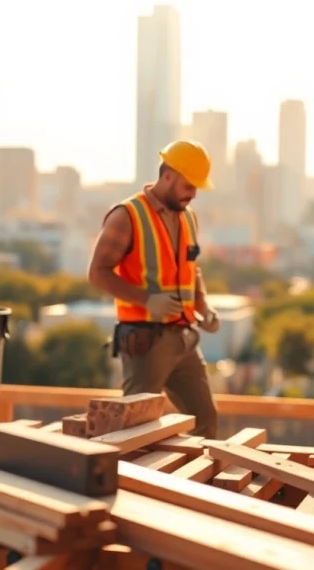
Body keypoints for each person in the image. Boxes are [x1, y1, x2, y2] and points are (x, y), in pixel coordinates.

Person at [87, 139, 221, 439]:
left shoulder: (188, 218)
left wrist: (203, 306)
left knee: (206, 421)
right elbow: (97, 273)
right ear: (169, 175)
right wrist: (148, 300)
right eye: (189, 185)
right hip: (146, 343)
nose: (193, 194)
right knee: (134, 429)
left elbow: (191, 269)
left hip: (184, 339)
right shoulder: (127, 216)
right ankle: (126, 484)